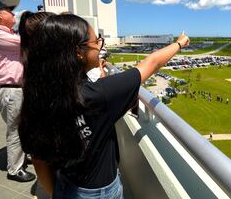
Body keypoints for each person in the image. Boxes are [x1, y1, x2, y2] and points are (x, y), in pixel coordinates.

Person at [18, 14, 189, 198]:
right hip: (99, 192)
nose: (100, 47)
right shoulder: (99, 95)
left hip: (65, 184)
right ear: (78, 52)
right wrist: (179, 43)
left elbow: (39, 159)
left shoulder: (39, 93)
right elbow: (152, 63)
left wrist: (58, 194)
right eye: (97, 42)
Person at [0, 1, 36, 182]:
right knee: (16, 130)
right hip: (10, 90)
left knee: (26, 127)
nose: (14, 15)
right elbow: (27, 43)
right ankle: (15, 169)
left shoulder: (7, 33)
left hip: (18, 89)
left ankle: (24, 154)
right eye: (9, 12)